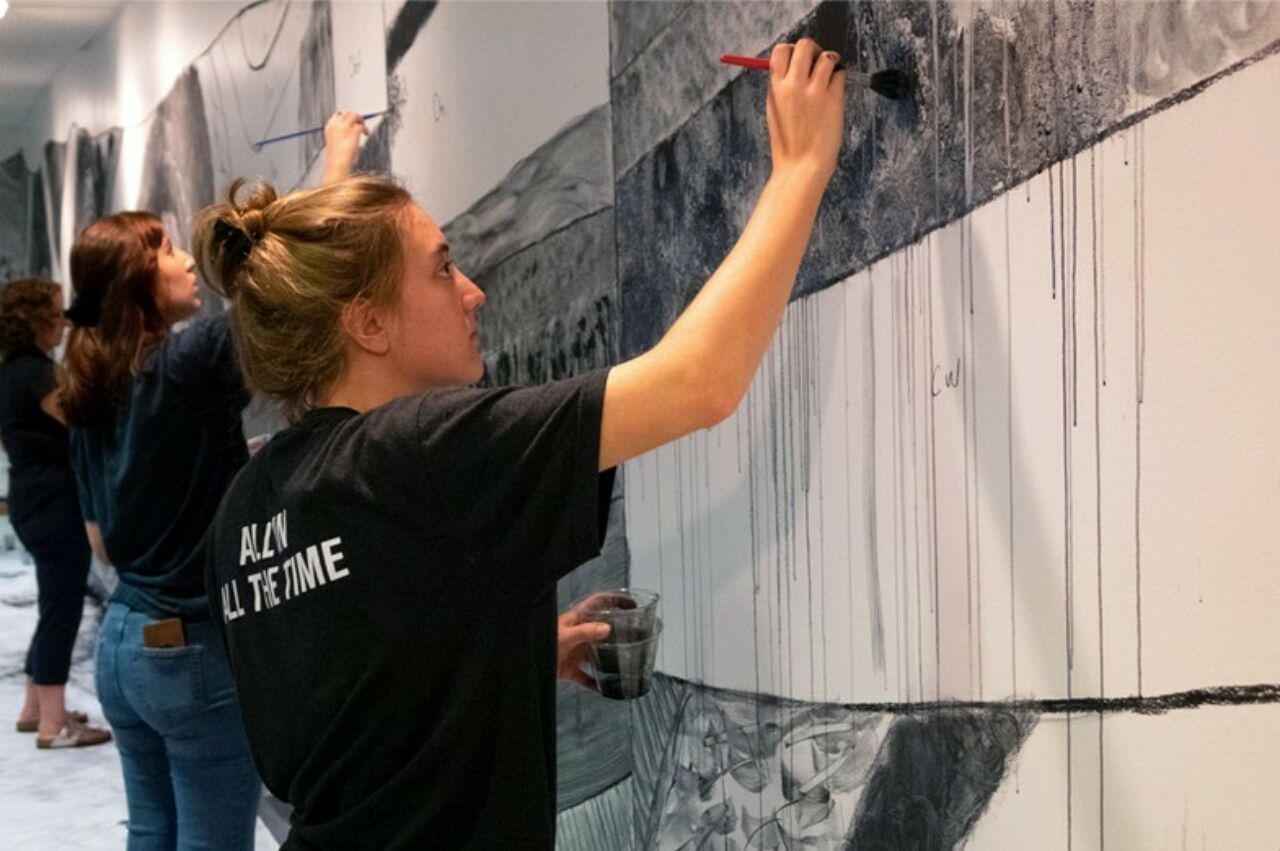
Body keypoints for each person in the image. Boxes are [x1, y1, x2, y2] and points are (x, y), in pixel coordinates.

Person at [197, 40, 844, 848]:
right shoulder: (419, 451)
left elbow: (353, 706)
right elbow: (698, 382)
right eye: (441, 270)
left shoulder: (248, 507)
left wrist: (511, 654)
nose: (474, 290)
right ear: (367, 322)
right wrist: (799, 168)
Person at [61, 111, 368, 848]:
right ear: (138, 276)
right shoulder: (191, 361)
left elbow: (103, 539)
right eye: (168, 248)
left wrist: (219, 474)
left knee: (153, 832)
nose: (188, 261)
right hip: (187, 649)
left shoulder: (88, 384)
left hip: (123, 646)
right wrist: (337, 163)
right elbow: (287, 294)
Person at [0, 278, 110, 748]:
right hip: (53, 503)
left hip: (33, 499)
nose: (65, 322)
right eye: (58, 313)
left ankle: (35, 709)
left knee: (54, 605)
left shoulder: (13, 371)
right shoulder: (35, 375)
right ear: (34, 320)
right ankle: (53, 725)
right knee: (62, 610)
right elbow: (85, 417)